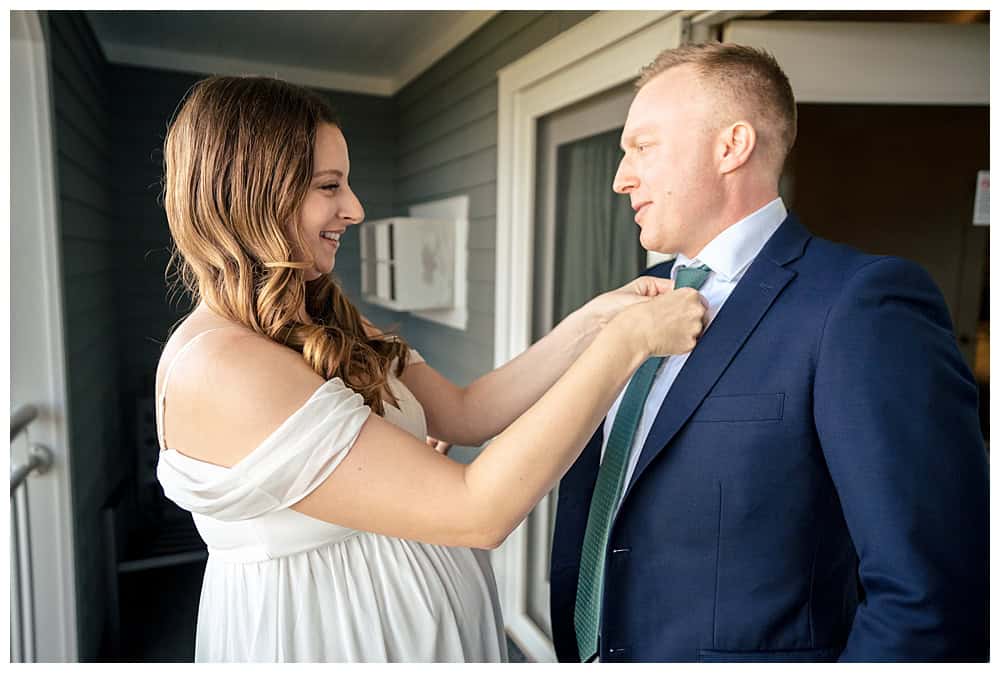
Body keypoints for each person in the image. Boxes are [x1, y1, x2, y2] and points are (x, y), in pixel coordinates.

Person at [153, 75, 708, 663]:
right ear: (253, 194)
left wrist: (592, 322)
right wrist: (623, 347)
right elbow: (477, 511)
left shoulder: (321, 315)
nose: (355, 209)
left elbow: (465, 413)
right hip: (332, 641)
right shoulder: (221, 367)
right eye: (329, 186)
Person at [549, 42, 988, 663]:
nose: (621, 177)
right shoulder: (635, 304)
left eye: (642, 147)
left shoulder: (861, 305)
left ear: (732, 146)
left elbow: (932, 590)